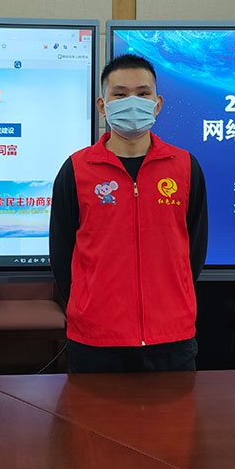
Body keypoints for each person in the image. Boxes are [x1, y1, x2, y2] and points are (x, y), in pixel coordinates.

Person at [49, 54, 208, 373]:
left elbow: (194, 251)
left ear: (157, 104)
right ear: (102, 106)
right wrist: (89, 305)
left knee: (174, 410)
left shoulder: (185, 167)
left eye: (143, 93)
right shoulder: (77, 170)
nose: (132, 102)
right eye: (120, 94)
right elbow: (62, 253)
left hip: (171, 338)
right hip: (96, 340)